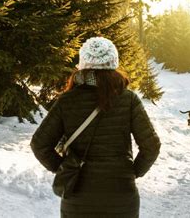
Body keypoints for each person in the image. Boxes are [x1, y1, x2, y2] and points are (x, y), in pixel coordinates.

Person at [30, 37, 161, 218]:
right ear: (113, 63)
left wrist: (64, 168)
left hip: (77, 199)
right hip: (121, 198)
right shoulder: (129, 99)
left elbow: (39, 144)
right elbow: (151, 146)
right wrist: (131, 173)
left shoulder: (67, 100)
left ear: (83, 64)